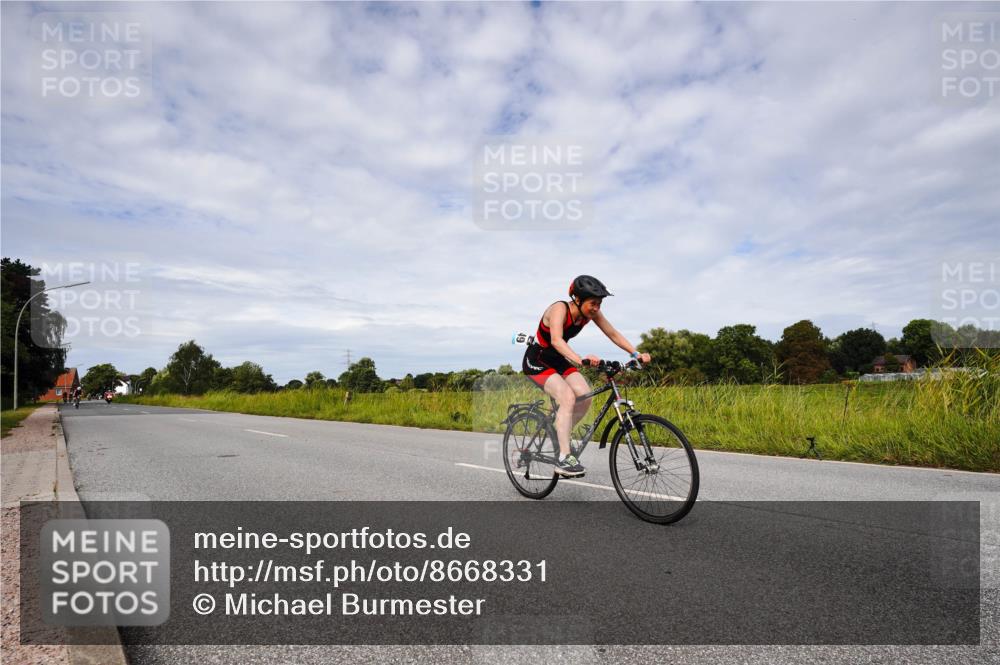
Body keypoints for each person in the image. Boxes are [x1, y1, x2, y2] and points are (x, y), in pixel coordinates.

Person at [521, 275, 651, 477]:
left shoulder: (591, 313)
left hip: (558, 359)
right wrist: (580, 359)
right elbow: (556, 340)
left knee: (585, 394)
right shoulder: (559, 309)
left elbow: (612, 333)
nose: (597, 308)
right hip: (537, 359)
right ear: (578, 299)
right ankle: (563, 457)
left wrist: (635, 354)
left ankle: (560, 435)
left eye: (599, 303)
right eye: (593, 303)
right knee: (567, 397)